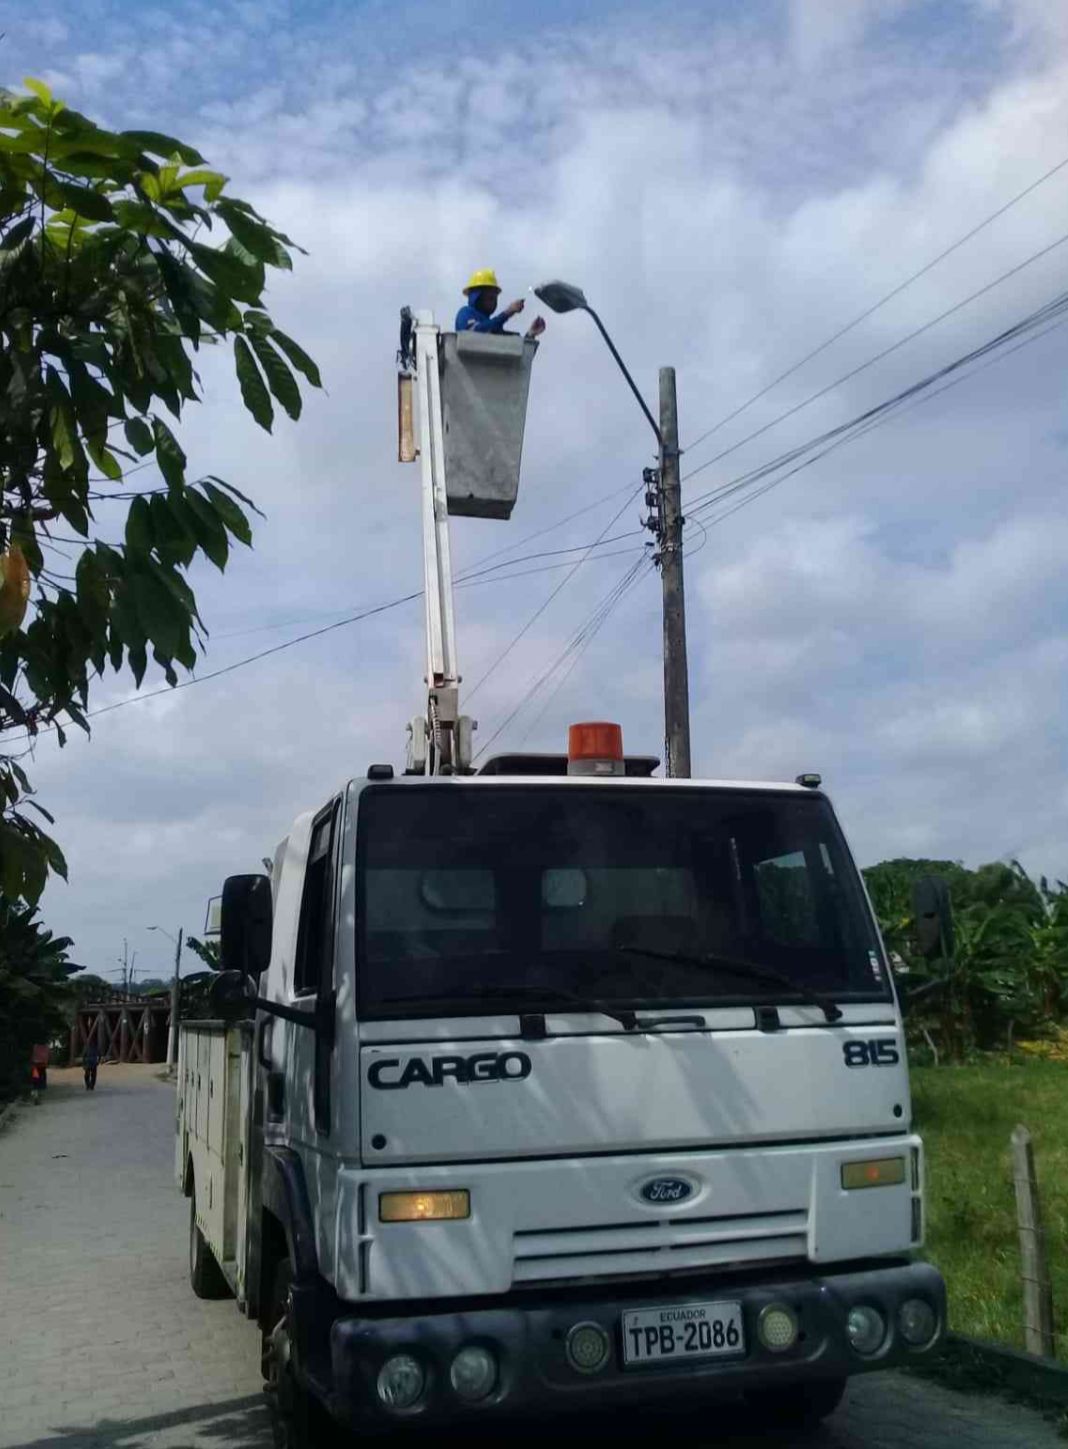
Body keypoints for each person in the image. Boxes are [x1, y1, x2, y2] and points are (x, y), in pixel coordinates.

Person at [455, 268, 545, 340]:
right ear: (477, 296)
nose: (493, 301)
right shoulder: (465, 313)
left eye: (495, 296)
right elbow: (473, 333)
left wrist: (530, 334)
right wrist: (507, 312)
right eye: (490, 296)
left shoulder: (493, 327)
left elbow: (516, 354)